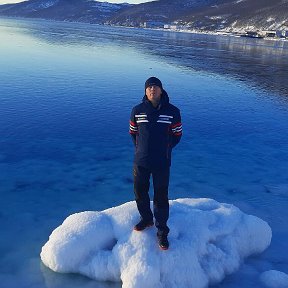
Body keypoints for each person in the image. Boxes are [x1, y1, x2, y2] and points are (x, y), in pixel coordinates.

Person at [129, 77, 182, 250]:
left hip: (162, 161)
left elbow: (177, 135)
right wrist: (141, 150)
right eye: (149, 87)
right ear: (145, 91)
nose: (152, 89)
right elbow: (133, 133)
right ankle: (146, 219)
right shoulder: (137, 111)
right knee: (140, 192)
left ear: (161, 90)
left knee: (160, 197)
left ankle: (162, 232)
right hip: (141, 161)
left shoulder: (173, 111)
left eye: (155, 87)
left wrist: (165, 149)